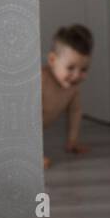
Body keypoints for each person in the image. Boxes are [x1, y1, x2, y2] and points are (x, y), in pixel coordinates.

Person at [41, 25, 92, 170]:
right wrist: (33, 154)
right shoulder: (41, 80)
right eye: (70, 68)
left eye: (83, 69)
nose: (76, 75)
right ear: (52, 60)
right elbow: (26, 122)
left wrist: (72, 140)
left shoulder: (72, 87)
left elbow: (75, 112)